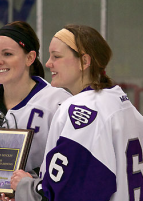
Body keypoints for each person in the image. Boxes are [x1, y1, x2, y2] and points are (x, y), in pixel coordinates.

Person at [9, 24, 143, 201]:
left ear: (84, 62)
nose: (48, 64)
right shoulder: (123, 104)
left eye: (56, 56)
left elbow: (66, 192)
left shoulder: (81, 109)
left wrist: (26, 187)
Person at [0, 21, 71, 201]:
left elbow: (67, 169)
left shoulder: (57, 102)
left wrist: (29, 188)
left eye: (7, 54)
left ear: (30, 58)